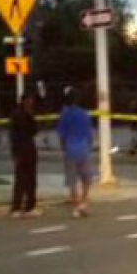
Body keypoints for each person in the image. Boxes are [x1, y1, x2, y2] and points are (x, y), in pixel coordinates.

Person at [57, 90, 96, 218]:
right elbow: (90, 134)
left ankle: (77, 205)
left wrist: (63, 147)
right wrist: (89, 146)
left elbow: (62, 135)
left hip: (70, 149)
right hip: (84, 149)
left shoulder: (65, 115)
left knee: (72, 180)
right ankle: (83, 202)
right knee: (86, 178)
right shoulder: (84, 114)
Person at [10, 92, 41, 218]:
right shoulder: (18, 115)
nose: (31, 103)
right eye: (29, 100)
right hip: (22, 150)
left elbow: (34, 131)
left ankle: (29, 206)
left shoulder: (28, 114)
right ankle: (18, 207)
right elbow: (15, 134)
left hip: (28, 149)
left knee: (30, 180)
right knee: (21, 180)